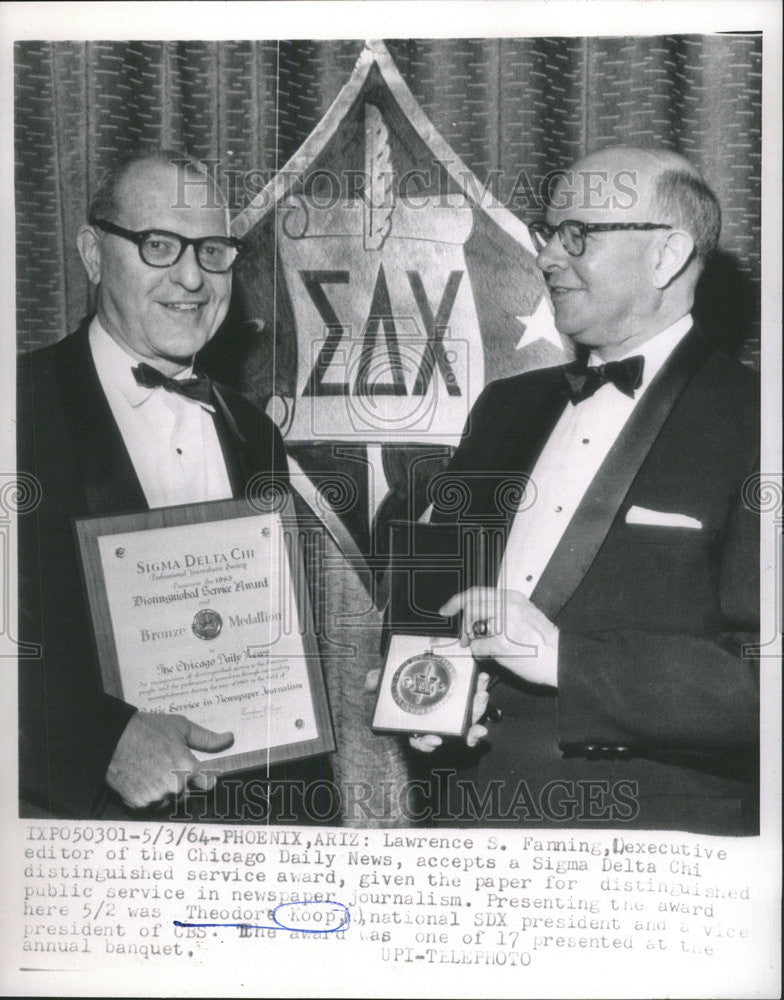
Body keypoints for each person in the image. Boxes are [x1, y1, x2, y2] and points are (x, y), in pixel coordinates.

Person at [412, 146, 759, 835]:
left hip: (650, 856)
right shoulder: (503, 407)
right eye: (549, 234)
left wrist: (566, 661)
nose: (547, 258)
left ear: (667, 255)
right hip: (467, 830)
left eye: (579, 235)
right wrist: (427, 690)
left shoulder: (762, 419)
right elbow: (439, 602)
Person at [17, 149, 308, 820]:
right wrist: (101, 741)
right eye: (158, 245)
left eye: (213, 251)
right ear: (93, 253)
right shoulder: (17, 408)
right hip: (72, 841)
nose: (192, 278)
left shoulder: (254, 434)